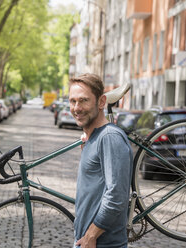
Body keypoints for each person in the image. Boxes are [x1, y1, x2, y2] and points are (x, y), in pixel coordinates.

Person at [69, 73, 133, 248]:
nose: (76, 107)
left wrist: (91, 235)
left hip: (102, 243)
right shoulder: (96, 137)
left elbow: (117, 196)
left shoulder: (110, 137)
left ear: (101, 102)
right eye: (72, 101)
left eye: (83, 101)